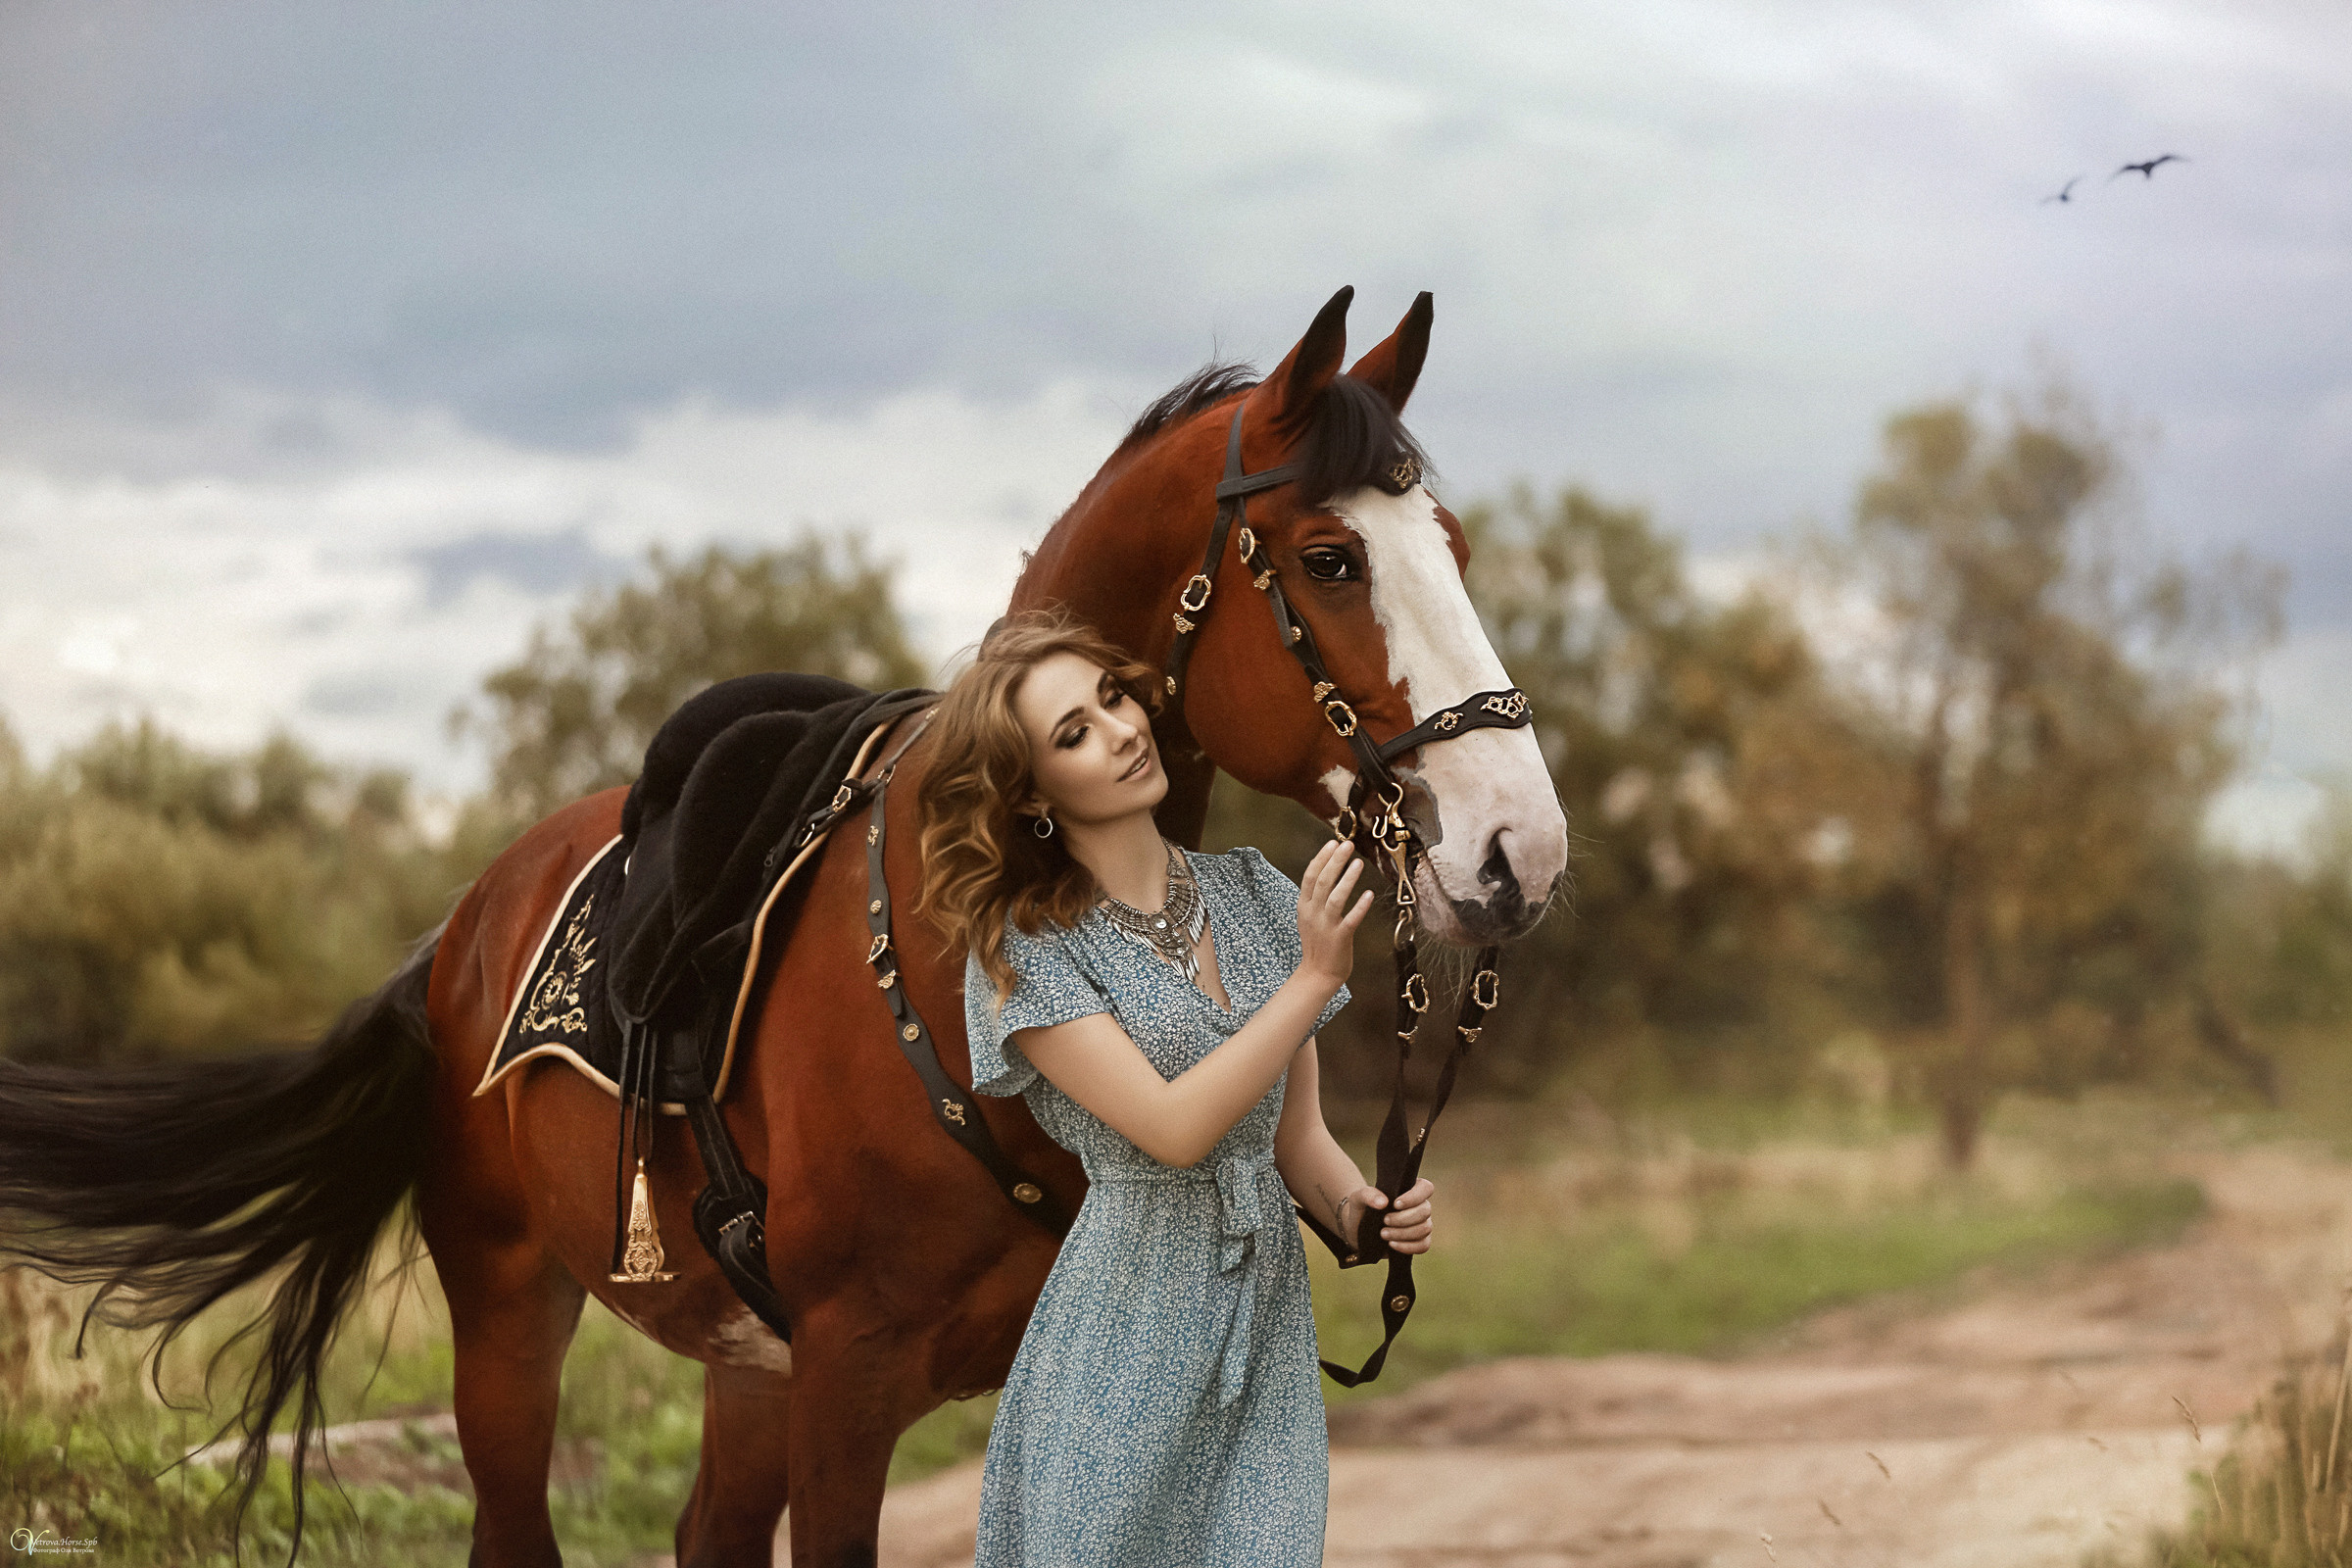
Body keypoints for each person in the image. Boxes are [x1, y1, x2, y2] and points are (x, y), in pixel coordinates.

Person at [912, 606, 1439, 1568]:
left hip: (1264, 1326)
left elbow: (1293, 1140)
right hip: (1126, 1333)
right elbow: (1174, 1130)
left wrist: (1364, 1214)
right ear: (1032, 793)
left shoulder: (1256, 895)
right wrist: (1312, 980)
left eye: (1113, 697)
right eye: (1074, 733)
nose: (1119, 730)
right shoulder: (1031, 950)